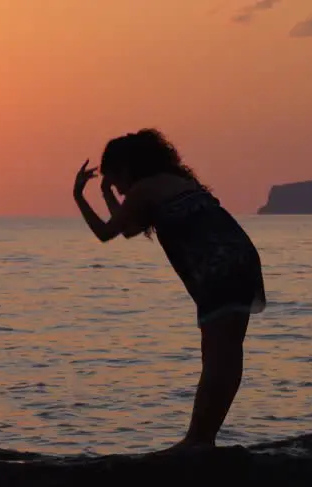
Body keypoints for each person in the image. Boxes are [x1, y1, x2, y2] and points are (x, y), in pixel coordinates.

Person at [72, 128, 267, 450]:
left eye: (116, 180)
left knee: (219, 355)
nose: (118, 190)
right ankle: (205, 437)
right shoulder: (173, 182)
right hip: (239, 258)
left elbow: (107, 232)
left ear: (128, 169)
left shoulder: (145, 189)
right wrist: (108, 194)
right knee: (225, 353)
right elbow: (130, 227)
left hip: (217, 267)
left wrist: (79, 197)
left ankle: (198, 439)